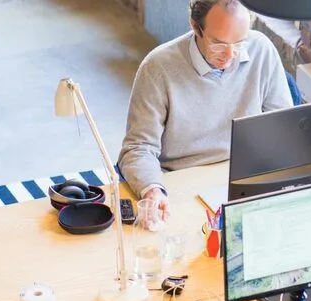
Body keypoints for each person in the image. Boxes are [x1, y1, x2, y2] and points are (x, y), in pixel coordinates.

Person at [118, 0, 293, 227]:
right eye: (218, 44)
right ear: (194, 26)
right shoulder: (157, 67)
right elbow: (138, 148)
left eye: (239, 43)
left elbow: (283, 128)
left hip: (243, 178)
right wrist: (152, 189)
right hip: (179, 183)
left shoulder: (261, 49)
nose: (230, 56)